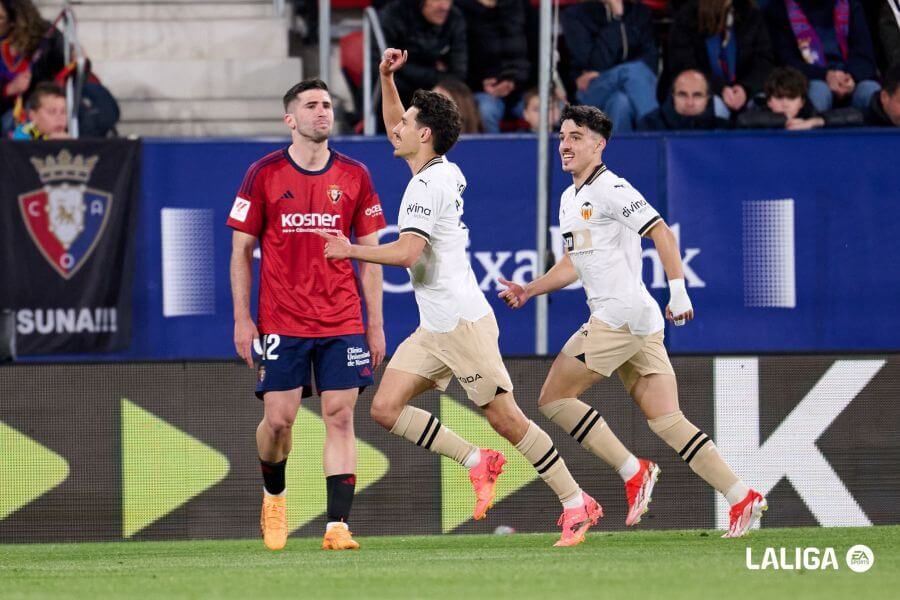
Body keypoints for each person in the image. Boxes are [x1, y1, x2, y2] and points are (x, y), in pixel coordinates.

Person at [317, 48, 603, 548]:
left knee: (507, 418)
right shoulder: (434, 169)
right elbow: (394, 126)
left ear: (423, 134)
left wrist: (349, 250)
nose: (396, 126)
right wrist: (387, 79)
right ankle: (477, 460)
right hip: (435, 327)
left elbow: (407, 253)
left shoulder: (423, 188)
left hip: (462, 326)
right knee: (384, 409)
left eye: (406, 121)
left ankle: (576, 502)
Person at [498, 104, 767, 539]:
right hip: (637, 319)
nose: (565, 145)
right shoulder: (570, 198)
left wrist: (678, 291)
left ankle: (633, 470)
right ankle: (741, 497)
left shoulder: (612, 188)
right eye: (562, 136)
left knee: (552, 398)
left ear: (599, 145)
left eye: (576, 137)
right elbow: (573, 263)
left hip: (617, 316)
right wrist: (530, 289)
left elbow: (661, 231)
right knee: (667, 421)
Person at [227, 79, 387, 552]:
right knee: (280, 420)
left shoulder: (356, 174)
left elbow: (370, 253)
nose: (322, 112)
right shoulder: (264, 174)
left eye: (327, 105)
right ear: (290, 119)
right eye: (311, 105)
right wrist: (242, 318)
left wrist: (374, 323)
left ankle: (337, 525)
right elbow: (241, 248)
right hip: (281, 319)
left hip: (341, 318)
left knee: (340, 414)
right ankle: (274, 495)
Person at [764, 0, 881, 112]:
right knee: (819, 92)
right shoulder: (778, 9)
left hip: (849, 79)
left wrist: (850, 77)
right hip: (809, 79)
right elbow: (785, 61)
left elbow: (865, 56)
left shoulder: (851, 5)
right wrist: (826, 76)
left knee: (870, 90)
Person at [561, 0, 659, 133]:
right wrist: (617, 18)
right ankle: (655, 136)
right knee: (633, 71)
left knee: (620, 103)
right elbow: (593, 63)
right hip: (591, 89)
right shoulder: (575, 15)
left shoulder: (640, 13)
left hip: (630, 89)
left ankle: (618, 152)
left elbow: (650, 61)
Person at [667, 0, 774, 117]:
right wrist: (720, 89)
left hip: (745, 92)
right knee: (716, 109)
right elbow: (684, 65)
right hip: (705, 92)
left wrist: (745, 88)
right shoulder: (688, 16)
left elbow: (764, 61)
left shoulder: (751, 14)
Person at [456, 0, 530, 133]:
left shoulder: (519, 6)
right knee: (487, 111)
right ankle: (493, 153)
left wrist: (514, 81)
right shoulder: (461, 9)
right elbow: (459, 59)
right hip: (480, 89)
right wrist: (481, 84)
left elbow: (536, 52)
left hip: (522, 87)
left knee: (548, 110)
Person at [376, 0, 468, 108]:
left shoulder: (454, 18)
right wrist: (437, 73)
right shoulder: (392, 16)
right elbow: (387, 67)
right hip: (396, 94)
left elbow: (459, 72)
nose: (445, 6)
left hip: (437, 95)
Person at [0, 0, 65, 135]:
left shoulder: (47, 38)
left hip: (38, 110)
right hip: (6, 113)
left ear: (15, 21)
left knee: (26, 127)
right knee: (9, 124)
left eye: (0, 18)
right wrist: (8, 89)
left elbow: (66, 69)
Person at [737, 65, 863, 128]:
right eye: (779, 98)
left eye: (791, 98)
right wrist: (785, 121)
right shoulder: (758, 109)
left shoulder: (810, 113)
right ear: (769, 101)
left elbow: (857, 116)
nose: (785, 103)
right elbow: (743, 120)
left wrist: (815, 121)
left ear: (802, 102)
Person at [638, 69, 731, 130]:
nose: (689, 103)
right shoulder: (650, 127)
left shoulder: (723, 131)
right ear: (672, 96)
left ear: (708, 98)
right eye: (682, 95)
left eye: (697, 95)